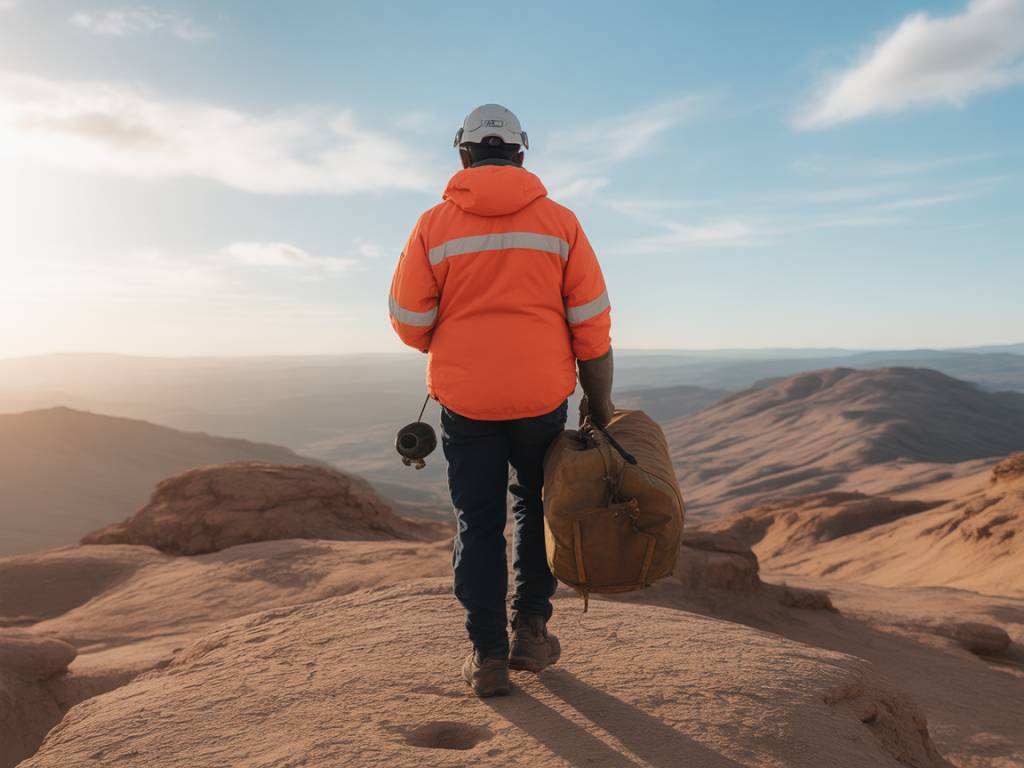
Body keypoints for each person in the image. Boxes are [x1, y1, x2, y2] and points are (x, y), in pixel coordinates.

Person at [388, 104, 614, 697]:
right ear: (520, 152)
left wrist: (456, 339)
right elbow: (591, 321)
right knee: (537, 506)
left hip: (466, 399)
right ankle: (531, 632)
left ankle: (487, 654)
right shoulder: (561, 223)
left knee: (478, 520)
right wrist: (599, 402)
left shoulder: (433, 225)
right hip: (542, 394)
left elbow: (409, 320)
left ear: (464, 153)